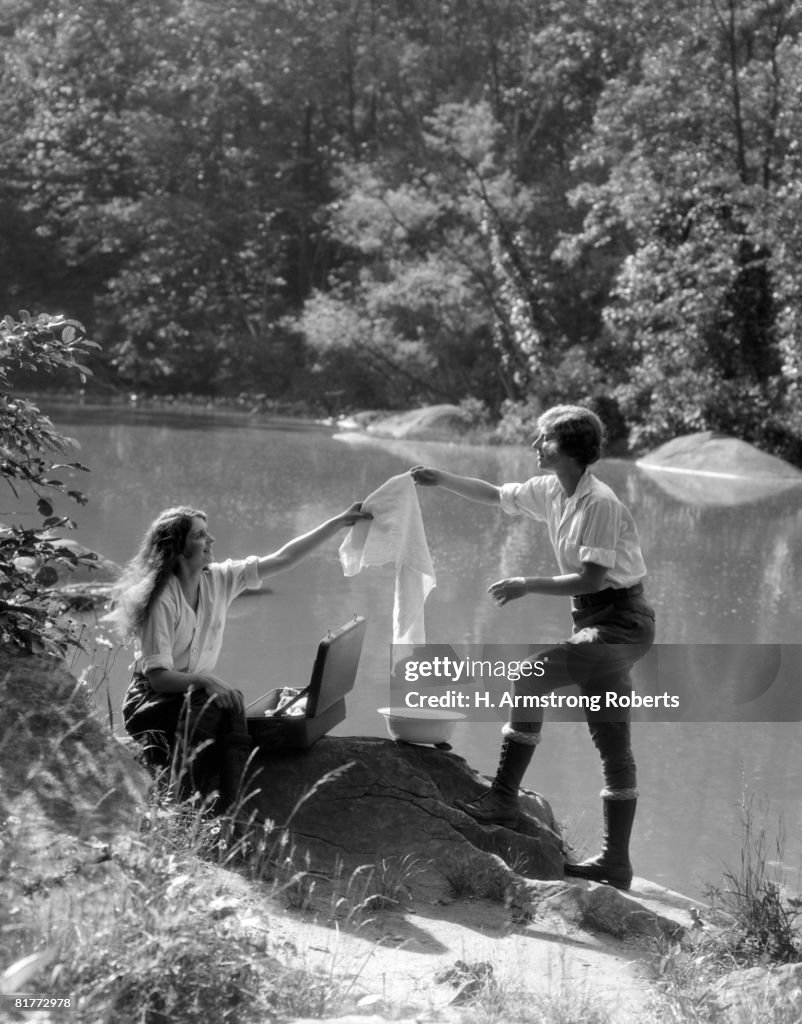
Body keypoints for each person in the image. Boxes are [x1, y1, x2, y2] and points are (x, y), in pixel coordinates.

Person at [410, 404, 656, 890]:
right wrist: (440, 479)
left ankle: (503, 796)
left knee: (530, 677)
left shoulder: (600, 503)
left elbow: (591, 577)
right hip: (597, 621)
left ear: (567, 448)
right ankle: (617, 864)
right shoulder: (550, 489)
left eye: (543, 439)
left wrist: (527, 583)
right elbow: (496, 494)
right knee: (612, 741)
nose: (534, 447)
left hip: (621, 624)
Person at [106, 501, 370, 813]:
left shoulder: (219, 579)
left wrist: (339, 522)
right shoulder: (162, 598)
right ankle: (192, 805)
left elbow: (283, 558)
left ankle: (230, 809)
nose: (211, 540)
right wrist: (205, 680)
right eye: (200, 535)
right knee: (218, 707)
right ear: (178, 548)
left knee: (229, 706)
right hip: (150, 700)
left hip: (193, 699)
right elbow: (160, 679)